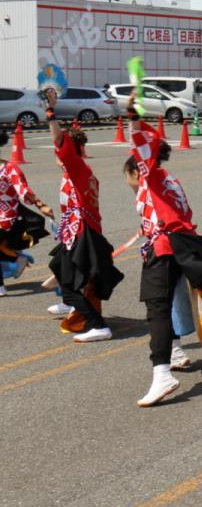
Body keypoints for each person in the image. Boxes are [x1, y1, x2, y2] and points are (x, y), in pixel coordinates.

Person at [123, 102, 202, 406]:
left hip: (164, 248)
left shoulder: (151, 176)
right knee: (170, 301)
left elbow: (140, 148)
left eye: (130, 172)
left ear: (138, 168)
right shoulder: (169, 180)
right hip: (178, 245)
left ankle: (162, 372)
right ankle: (174, 351)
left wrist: (134, 119)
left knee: (157, 309)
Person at [43, 89, 123, 343]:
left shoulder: (77, 168)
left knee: (68, 283)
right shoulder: (79, 172)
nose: (56, 153)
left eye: (60, 150)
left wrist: (50, 111)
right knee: (58, 266)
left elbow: (58, 139)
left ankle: (97, 324)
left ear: (70, 150)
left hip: (82, 234)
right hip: (78, 232)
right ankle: (74, 305)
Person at [0, 128, 54, 297]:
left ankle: (2, 283)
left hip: (7, 214)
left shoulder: (9, 169)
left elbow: (23, 190)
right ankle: (17, 258)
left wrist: (41, 204)